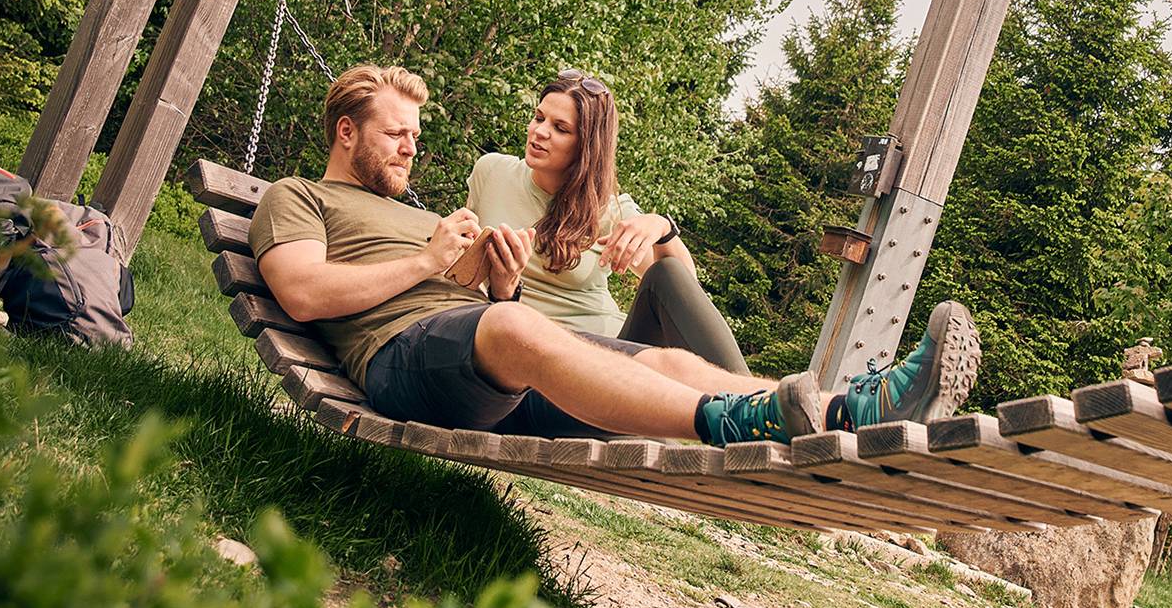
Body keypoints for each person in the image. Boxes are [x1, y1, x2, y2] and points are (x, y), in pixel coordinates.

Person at [250, 63, 980, 445]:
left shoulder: (413, 212)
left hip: (482, 364)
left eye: (415, 133)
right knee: (512, 329)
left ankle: (852, 409)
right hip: (397, 362)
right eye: (394, 135)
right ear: (346, 133)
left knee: (663, 363)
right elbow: (304, 294)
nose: (412, 146)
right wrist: (430, 262)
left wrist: (497, 287)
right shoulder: (298, 196)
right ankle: (736, 424)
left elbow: (485, 318)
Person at [454, 68, 746, 375]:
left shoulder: (608, 209)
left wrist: (662, 228)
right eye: (539, 118)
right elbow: (464, 260)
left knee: (667, 271)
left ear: (586, 145)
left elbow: (682, 288)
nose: (539, 132)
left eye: (560, 128)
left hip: (612, 352)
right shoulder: (491, 172)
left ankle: (754, 399)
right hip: (535, 353)